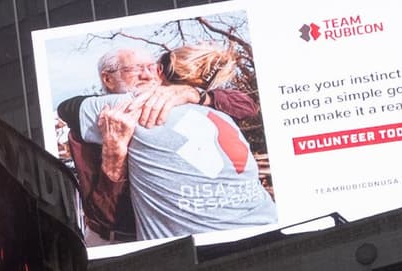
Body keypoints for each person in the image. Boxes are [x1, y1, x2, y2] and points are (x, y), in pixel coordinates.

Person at [60, 41, 275, 244]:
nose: (146, 75)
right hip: (115, 238)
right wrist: (114, 154)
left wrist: (195, 94)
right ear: (108, 79)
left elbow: (248, 106)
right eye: (134, 69)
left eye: (151, 67)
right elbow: (104, 213)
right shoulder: (97, 120)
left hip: (166, 238)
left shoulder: (189, 102)